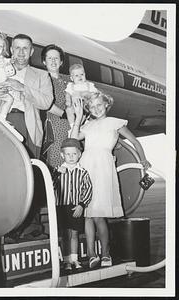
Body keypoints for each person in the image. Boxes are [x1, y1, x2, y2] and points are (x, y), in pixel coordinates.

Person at [70, 91, 151, 268]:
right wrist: (77, 119)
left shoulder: (115, 123)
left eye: (99, 105)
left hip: (103, 167)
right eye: (92, 106)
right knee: (87, 215)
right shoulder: (87, 125)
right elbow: (73, 141)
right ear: (88, 109)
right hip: (86, 166)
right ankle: (92, 255)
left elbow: (135, 142)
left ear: (107, 104)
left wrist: (143, 159)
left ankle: (106, 254)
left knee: (99, 215)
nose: (96, 109)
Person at [0, 33, 53, 158]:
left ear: (31, 51)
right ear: (11, 50)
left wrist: (22, 88)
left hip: (27, 125)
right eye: (17, 48)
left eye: (25, 48)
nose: (21, 52)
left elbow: (47, 102)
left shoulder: (42, 75)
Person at [53, 138, 92, 271]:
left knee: (74, 234)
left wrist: (82, 205)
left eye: (74, 154)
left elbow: (88, 189)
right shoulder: (57, 172)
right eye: (67, 154)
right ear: (62, 155)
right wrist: (56, 174)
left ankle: (75, 259)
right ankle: (66, 261)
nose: (71, 157)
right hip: (61, 207)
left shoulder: (83, 172)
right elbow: (49, 186)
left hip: (76, 207)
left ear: (79, 154)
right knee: (65, 235)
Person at [40, 44, 71, 168]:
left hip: (71, 125)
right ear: (44, 61)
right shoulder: (41, 79)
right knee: (56, 160)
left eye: (56, 58)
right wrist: (65, 114)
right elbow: (44, 103)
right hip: (53, 124)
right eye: (49, 58)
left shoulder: (69, 80)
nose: (53, 61)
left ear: (61, 61)